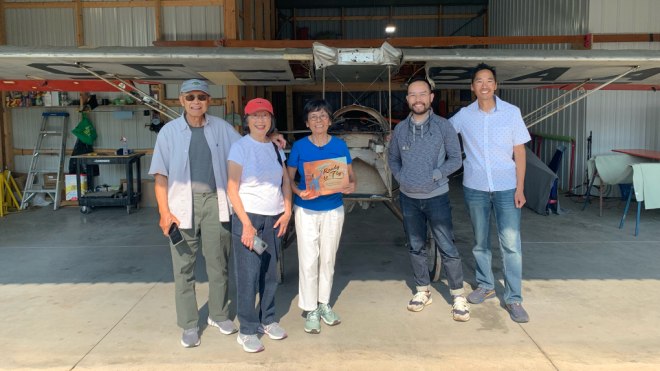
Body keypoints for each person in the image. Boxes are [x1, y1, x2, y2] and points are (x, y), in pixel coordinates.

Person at [149, 80, 286, 348]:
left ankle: (219, 314)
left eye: (201, 97)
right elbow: (160, 176)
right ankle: (189, 324)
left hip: (216, 202)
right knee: (184, 267)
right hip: (180, 205)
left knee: (218, 264)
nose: (196, 102)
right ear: (182, 100)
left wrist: (271, 137)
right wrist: (164, 212)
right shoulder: (168, 132)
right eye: (190, 97)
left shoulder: (221, 129)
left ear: (209, 100)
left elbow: (253, 141)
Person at [449, 63, 531, 323]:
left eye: (489, 81)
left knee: (511, 245)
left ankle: (514, 299)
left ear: (495, 85)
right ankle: (485, 285)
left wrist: (520, 188)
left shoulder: (511, 112)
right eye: (479, 81)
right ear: (472, 87)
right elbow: (440, 133)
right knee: (480, 242)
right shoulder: (463, 115)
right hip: (475, 187)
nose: (484, 85)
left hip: (507, 187)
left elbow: (520, 152)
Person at [388, 78, 469, 321]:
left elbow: (456, 158)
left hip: (436, 197)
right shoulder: (401, 128)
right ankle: (423, 290)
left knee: (447, 247)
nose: (418, 99)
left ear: (431, 97)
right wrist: (401, 176)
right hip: (409, 197)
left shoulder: (444, 127)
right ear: (407, 99)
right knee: (415, 246)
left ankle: (458, 295)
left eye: (422, 93)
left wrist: (435, 175)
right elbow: (393, 158)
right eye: (413, 95)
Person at [286, 99, 357, 334]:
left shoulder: (340, 145)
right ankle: (310, 309)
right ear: (307, 122)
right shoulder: (299, 146)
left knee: (327, 258)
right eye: (313, 117)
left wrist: (351, 186)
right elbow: (289, 179)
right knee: (308, 259)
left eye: (323, 116)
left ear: (330, 120)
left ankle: (324, 303)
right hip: (306, 210)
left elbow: (351, 177)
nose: (319, 120)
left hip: (333, 208)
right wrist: (298, 192)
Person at [227, 98, 292, 353]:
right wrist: (245, 224)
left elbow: (285, 180)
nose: (260, 120)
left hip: (274, 217)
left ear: (271, 119)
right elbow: (232, 188)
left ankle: (267, 320)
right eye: (255, 116)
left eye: (265, 115)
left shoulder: (276, 147)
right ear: (247, 120)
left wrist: (287, 211)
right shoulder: (239, 147)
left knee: (269, 274)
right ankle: (246, 329)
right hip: (249, 218)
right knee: (248, 275)